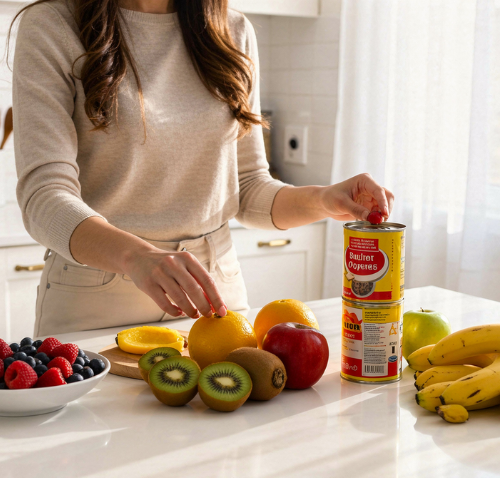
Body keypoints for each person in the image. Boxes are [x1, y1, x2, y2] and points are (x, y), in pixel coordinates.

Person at [11, 0, 394, 337]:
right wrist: (136, 257)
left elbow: (247, 185)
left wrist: (323, 200)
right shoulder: (52, 26)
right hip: (95, 297)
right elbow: (44, 196)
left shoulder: (233, 31)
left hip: (214, 293)